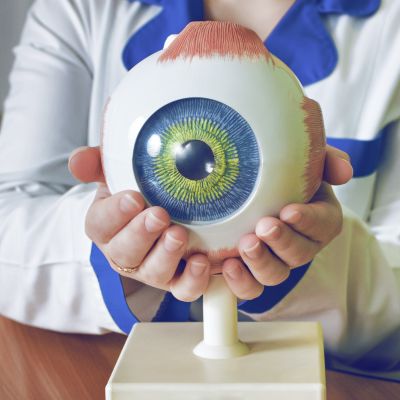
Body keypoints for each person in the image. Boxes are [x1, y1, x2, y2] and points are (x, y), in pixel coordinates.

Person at [0, 0, 399, 381]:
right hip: (88, 367)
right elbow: (9, 220)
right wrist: (109, 246)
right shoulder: (79, 10)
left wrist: (302, 266)